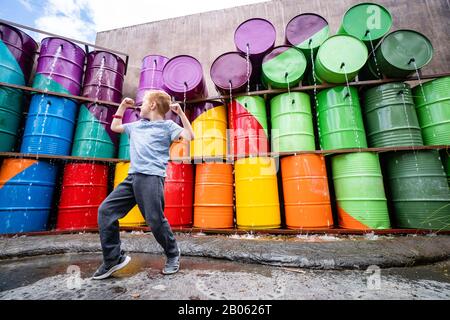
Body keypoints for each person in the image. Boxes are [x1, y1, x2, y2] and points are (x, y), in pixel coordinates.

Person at [92, 90, 194, 280]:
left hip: (151, 178)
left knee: (155, 220)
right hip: (132, 178)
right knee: (105, 211)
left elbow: (189, 136)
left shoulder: (168, 126)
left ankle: (173, 253)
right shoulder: (136, 126)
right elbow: (115, 127)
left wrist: (180, 114)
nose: (141, 105)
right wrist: (122, 106)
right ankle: (113, 258)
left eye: (144, 102)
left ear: (153, 105)